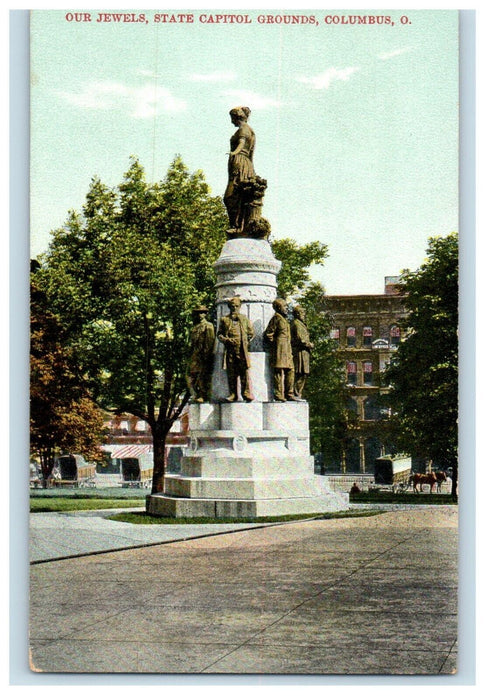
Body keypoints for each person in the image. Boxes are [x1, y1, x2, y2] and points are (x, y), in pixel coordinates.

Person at [223, 106, 256, 234]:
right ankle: (238, 226)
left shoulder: (243, 129)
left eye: (232, 118)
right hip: (246, 163)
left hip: (240, 162)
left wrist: (233, 152)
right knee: (240, 196)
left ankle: (236, 226)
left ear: (237, 117)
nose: (231, 121)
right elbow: (251, 152)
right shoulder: (250, 130)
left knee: (231, 196)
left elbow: (242, 143)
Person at [217, 297, 254, 402]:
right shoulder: (224, 320)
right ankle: (233, 394)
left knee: (244, 372)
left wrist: (245, 341)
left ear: (240, 306)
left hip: (242, 350)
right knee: (231, 373)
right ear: (229, 307)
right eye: (232, 306)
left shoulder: (244, 319)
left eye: (236, 306)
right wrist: (226, 340)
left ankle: (246, 393)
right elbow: (219, 334)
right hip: (230, 350)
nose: (234, 308)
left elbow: (251, 333)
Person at [264, 298, 299, 402]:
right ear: (278, 308)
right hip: (279, 349)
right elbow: (268, 334)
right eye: (284, 306)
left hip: (287, 349)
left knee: (290, 370)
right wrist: (276, 344)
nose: (286, 308)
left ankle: (289, 393)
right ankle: (279, 394)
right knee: (279, 371)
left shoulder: (284, 319)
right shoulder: (276, 318)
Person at [187, 306, 215, 403]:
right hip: (194, 355)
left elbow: (210, 341)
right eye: (198, 313)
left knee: (202, 375)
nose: (200, 315)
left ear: (205, 314)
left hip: (203, 355)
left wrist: (206, 355)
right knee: (191, 375)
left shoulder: (208, 326)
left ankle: (202, 394)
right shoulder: (195, 327)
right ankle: (196, 393)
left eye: (202, 313)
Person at [290, 305, 314, 399]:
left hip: (304, 352)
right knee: (299, 372)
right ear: (297, 313)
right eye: (302, 313)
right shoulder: (296, 324)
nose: (304, 315)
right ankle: (295, 393)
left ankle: (298, 393)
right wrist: (309, 344)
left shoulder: (300, 323)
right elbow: (301, 339)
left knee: (303, 373)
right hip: (299, 351)